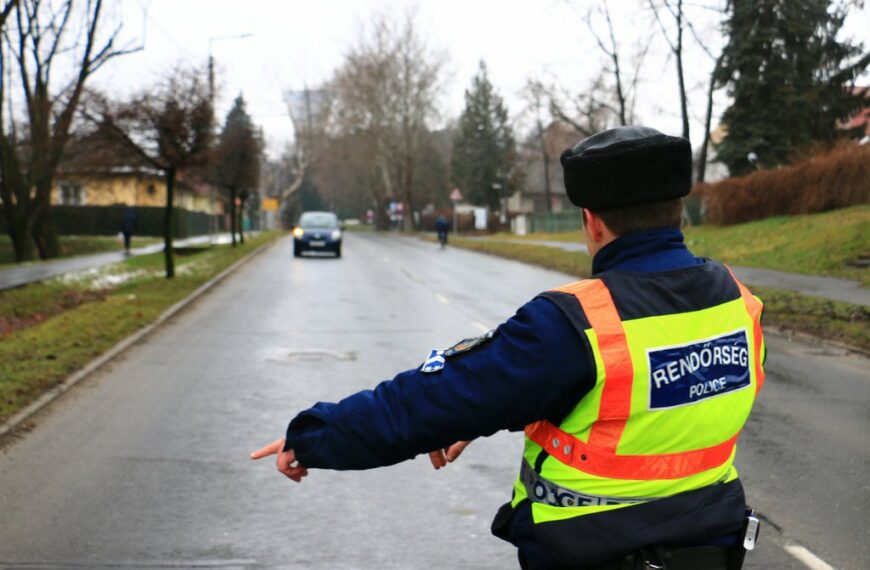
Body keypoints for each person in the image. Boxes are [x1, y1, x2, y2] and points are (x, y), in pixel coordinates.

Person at [252, 126, 765, 570]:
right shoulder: (738, 303)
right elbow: (644, 403)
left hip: (596, 555)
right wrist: (498, 410)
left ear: (592, 221)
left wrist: (315, 436)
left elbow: (424, 404)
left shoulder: (575, 323)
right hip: (710, 549)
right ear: (677, 212)